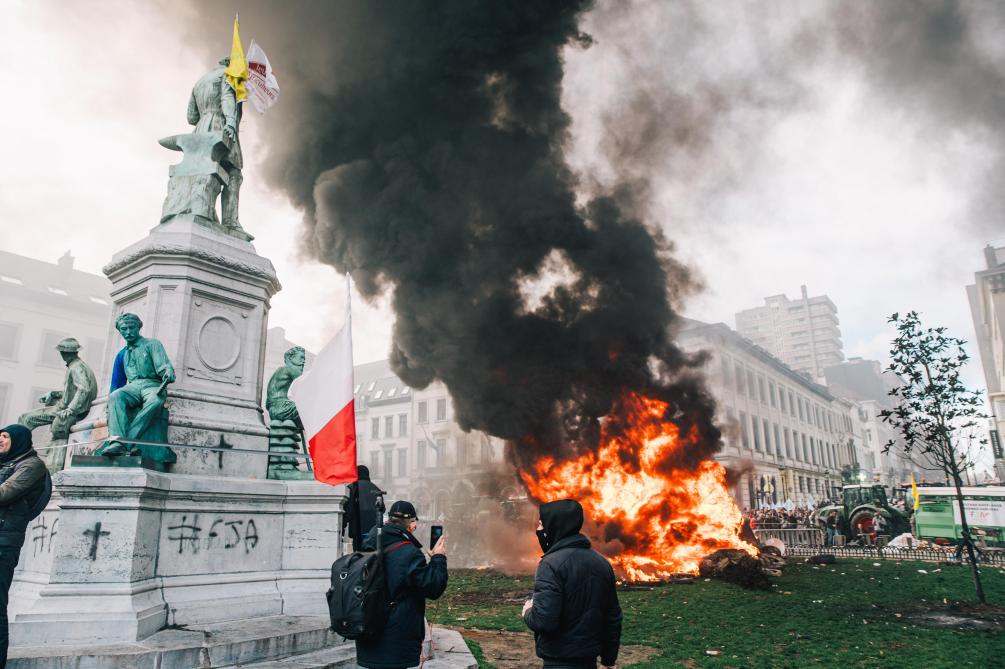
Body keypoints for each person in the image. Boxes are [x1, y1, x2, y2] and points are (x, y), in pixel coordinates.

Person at [522, 499, 622, 669]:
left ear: (553, 526)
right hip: (589, 661)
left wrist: (528, 612)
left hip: (559, 662)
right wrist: (609, 661)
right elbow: (613, 618)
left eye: (541, 524)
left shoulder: (550, 565)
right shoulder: (602, 562)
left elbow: (544, 621)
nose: (538, 529)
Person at [355, 500, 448, 669]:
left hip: (367, 635)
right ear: (411, 524)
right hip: (396, 642)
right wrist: (438, 558)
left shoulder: (367, 544)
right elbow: (434, 587)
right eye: (414, 522)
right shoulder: (409, 553)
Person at [0, 425, 47, 668]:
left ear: (18, 440)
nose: (0, 440)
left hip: (3, 544)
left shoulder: (31, 466)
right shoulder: (6, 463)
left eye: (5, 436)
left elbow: (5, 493)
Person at [98, 313, 175, 461]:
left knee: (155, 401)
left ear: (138, 327)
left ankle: (125, 442)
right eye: (123, 329)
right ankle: (117, 440)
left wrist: (168, 372)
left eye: (131, 328)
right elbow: (117, 383)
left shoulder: (152, 344)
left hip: (152, 384)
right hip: (132, 387)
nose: (128, 332)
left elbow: (164, 366)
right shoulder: (122, 354)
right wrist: (109, 406)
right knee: (115, 396)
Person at [342, 465, 382, 552]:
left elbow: (348, 512)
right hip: (373, 533)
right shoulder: (376, 489)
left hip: (357, 532)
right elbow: (382, 510)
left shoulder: (351, 488)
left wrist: (341, 529)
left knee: (358, 557)